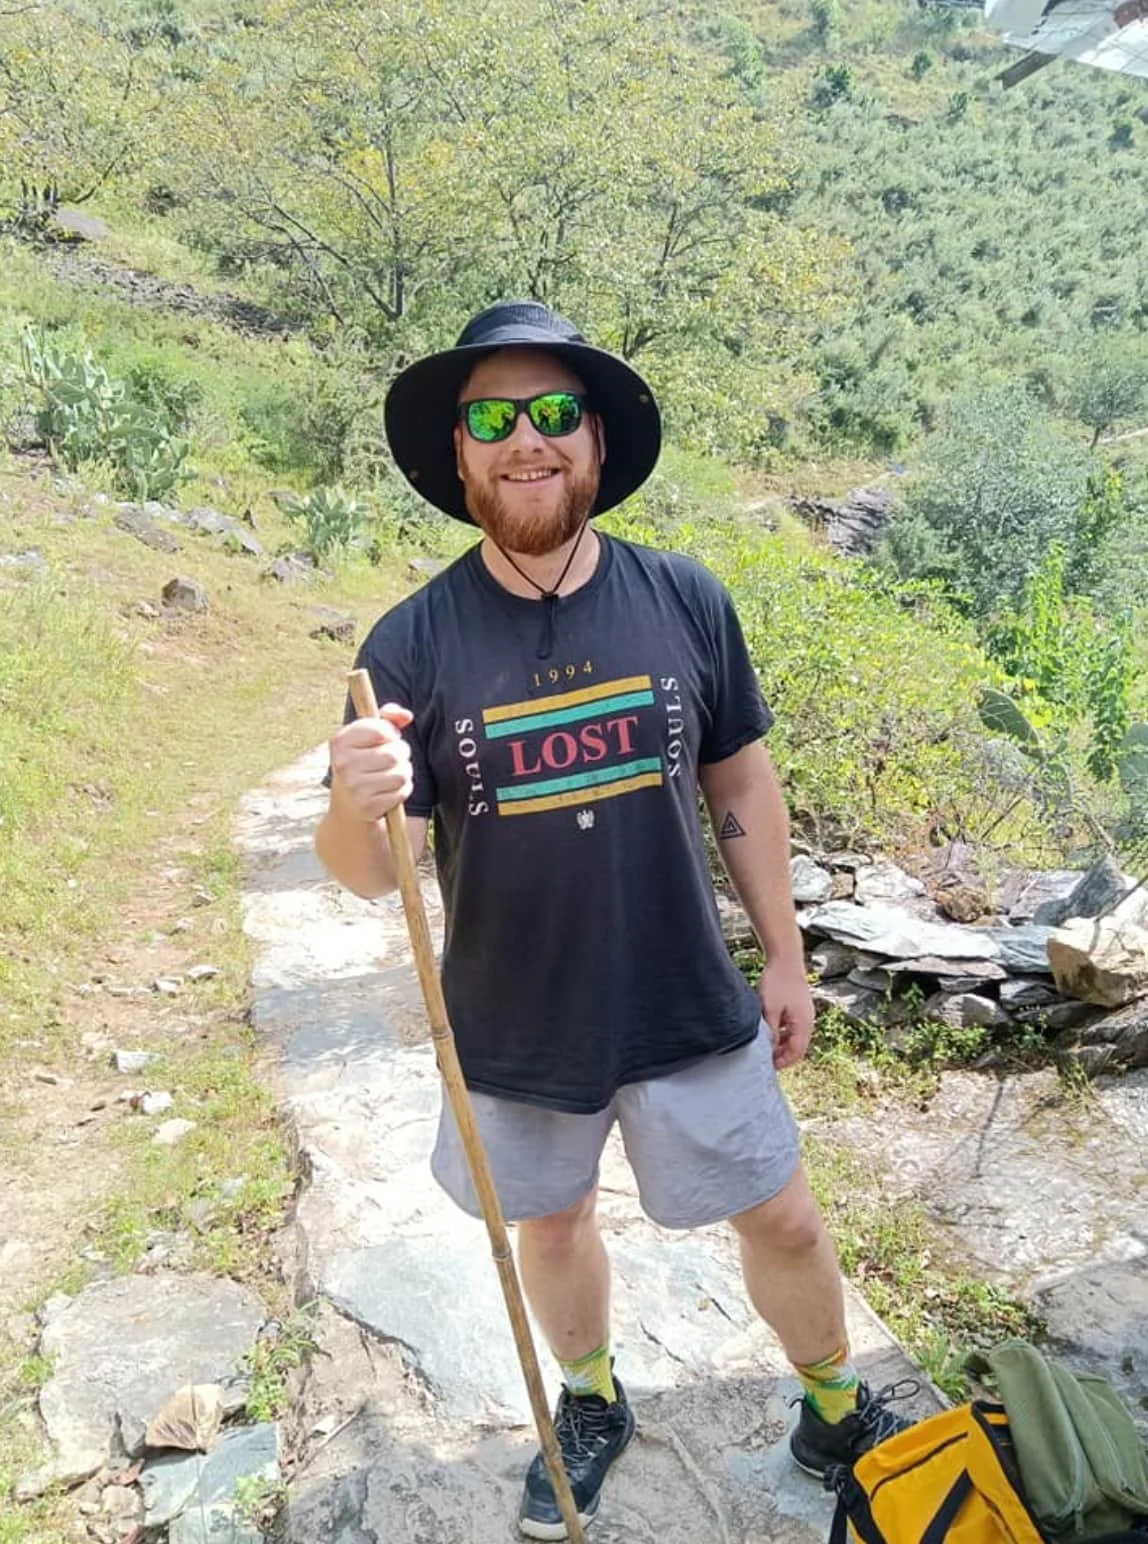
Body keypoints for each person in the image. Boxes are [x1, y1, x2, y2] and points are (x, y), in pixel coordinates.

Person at [315, 300, 909, 1540]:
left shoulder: (682, 597)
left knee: (785, 1213)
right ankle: (589, 1399)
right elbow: (374, 875)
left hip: (682, 994)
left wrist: (784, 952)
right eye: (491, 417)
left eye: (550, 413)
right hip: (512, 1020)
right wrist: (354, 803)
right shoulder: (407, 645)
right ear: (460, 454)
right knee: (553, 1220)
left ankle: (833, 1403)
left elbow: (738, 776)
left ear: (593, 441)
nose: (522, 439)